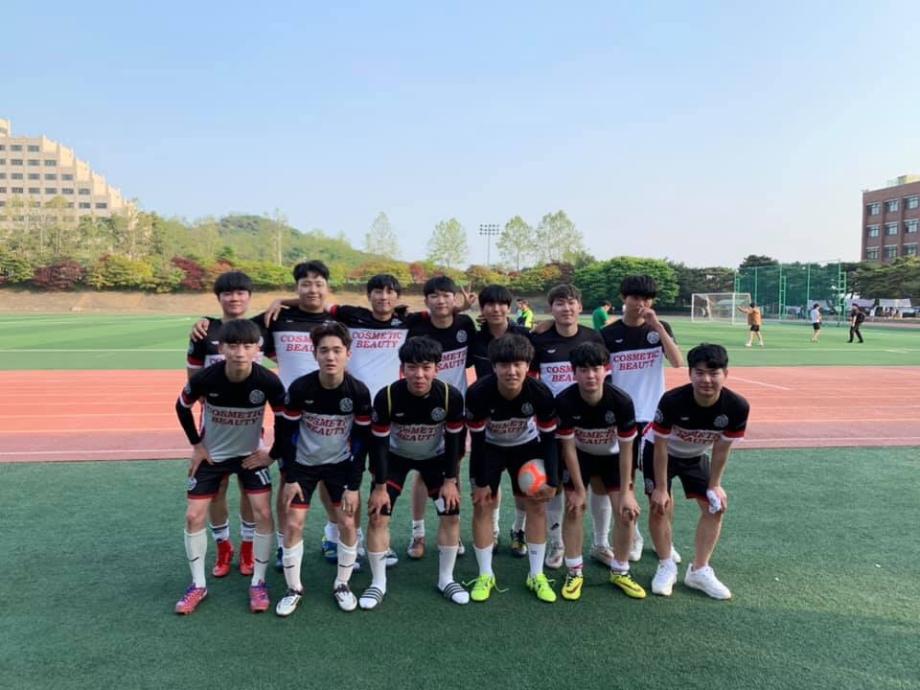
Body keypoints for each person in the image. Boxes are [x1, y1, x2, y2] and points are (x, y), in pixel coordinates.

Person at [174, 319, 286, 614]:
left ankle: (258, 582)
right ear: (221, 348)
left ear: (257, 349)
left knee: (263, 512)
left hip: (250, 456)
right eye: (233, 346)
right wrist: (197, 445)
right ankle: (198, 585)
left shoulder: (268, 381)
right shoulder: (205, 378)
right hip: (213, 457)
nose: (240, 352)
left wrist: (272, 454)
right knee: (193, 516)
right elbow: (181, 407)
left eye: (247, 346)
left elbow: (286, 420)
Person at [361, 337, 469, 608]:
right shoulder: (387, 396)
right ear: (402, 369)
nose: (419, 374)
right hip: (395, 458)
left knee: (451, 513)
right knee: (377, 515)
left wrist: (451, 480)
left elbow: (455, 442)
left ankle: (446, 579)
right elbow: (378, 445)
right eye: (412, 367)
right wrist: (380, 487)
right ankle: (378, 583)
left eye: (426, 367)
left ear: (436, 369)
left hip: (435, 458)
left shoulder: (450, 397)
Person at [275, 322, 372, 615]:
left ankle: (342, 584)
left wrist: (354, 486)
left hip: (339, 467)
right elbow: (286, 435)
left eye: (337, 350)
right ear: (314, 354)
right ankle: (294, 588)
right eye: (324, 350)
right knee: (294, 524)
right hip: (303, 467)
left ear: (348, 354)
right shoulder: (301, 388)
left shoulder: (358, 392)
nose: (330, 356)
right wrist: (290, 477)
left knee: (347, 523)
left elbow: (361, 442)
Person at [644, 343, 750, 600]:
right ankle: (666, 564)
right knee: (660, 506)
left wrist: (715, 485)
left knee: (715, 506)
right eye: (700, 373)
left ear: (726, 374)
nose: (706, 380)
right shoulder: (672, 401)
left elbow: (721, 449)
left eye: (713, 373)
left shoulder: (737, 406)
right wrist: (660, 488)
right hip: (660, 452)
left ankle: (699, 570)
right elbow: (660, 445)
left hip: (694, 456)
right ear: (690, 373)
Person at [185, 270, 268, 579]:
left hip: (251, 426)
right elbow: (193, 381)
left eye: (241, 292)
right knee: (217, 488)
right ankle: (223, 547)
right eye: (228, 293)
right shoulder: (205, 331)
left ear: (249, 296)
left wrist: (281, 301)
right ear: (218, 298)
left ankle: (247, 547)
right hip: (215, 426)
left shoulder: (261, 328)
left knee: (249, 489)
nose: (235, 298)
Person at [465, 333, 559, 603]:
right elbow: (477, 442)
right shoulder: (478, 393)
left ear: (528, 365)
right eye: (504, 365)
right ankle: (485, 574)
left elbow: (549, 439)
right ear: (494, 367)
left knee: (537, 505)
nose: (511, 371)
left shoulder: (540, 393)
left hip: (526, 447)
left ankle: (536, 574)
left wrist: (552, 480)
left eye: (518, 364)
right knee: (482, 505)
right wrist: (480, 482)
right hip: (490, 448)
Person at [601, 275, 683, 565]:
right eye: (635, 297)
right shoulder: (608, 334)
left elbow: (678, 362)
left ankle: (665, 541)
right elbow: (603, 377)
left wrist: (657, 327)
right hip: (623, 418)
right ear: (624, 298)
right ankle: (633, 536)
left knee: (661, 485)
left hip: (654, 419)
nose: (641, 304)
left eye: (646, 298)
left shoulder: (659, 329)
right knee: (627, 483)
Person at [555, 342, 645, 601]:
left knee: (626, 512)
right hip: (580, 457)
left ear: (606, 369)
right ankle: (574, 570)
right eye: (583, 370)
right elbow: (568, 448)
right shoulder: (565, 401)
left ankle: (620, 571)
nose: (590, 375)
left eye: (596, 369)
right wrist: (579, 490)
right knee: (574, 508)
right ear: (573, 372)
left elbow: (627, 449)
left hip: (612, 458)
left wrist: (627, 490)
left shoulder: (621, 401)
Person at [528, 283, 605, 571]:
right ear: (551, 309)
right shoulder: (539, 339)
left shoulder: (593, 337)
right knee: (555, 484)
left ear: (580, 306)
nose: (566, 308)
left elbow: (603, 377)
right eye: (559, 303)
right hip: (551, 426)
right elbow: (531, 380)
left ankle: (601, 543)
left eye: (571, 302)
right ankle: (556, 542)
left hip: (587, 426)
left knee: (598, 482)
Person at [402, 276, 476, 561]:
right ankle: (418, 533)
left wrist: (463, 309)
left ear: (454, 298)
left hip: (456, 410)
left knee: (452, 471)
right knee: (423, 473)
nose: (441, 300)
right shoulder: (416, 324)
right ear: (426, 301)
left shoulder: (465, 324)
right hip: (421, 410)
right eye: (434, 296)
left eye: (446, 295)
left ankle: (451, 529)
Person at [468, 284, 531, 557]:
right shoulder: (476, 340)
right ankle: (492, 530)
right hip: (487, 419)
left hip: (519, 420)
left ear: (509, 306)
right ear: (482, 308)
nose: (495, 309)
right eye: (489, 304)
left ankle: (519, 530)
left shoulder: (524, 335)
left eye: (501, 303)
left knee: (523, 485)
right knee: (489, 486)